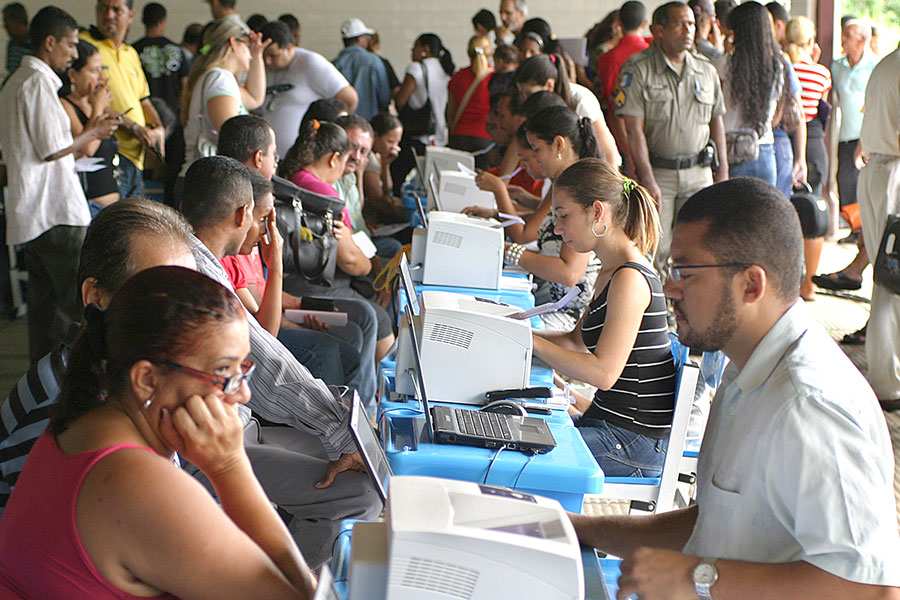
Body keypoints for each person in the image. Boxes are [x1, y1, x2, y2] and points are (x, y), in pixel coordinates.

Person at [570, 176, 900, 599]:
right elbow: (714, 524)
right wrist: (579, 529)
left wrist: (696, 577)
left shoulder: (810, 405)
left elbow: (871, 589)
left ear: (751, 284)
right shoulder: (742, 364)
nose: (669, 288)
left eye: (685, 273)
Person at [0, 265, 317, 599]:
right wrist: (229, 467)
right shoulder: (137, 482)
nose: (242, 394)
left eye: (243, 369)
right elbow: (299, 594)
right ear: (147, 380)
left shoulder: (80, 421)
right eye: (224, 372)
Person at [181, 157, 382, 565]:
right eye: (261, 217)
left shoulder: (203, 261)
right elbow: (268, 365)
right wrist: (344, 431)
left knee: (354, 464)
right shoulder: (198, 273)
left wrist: (345, 426)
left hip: (242, 427)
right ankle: (294, 584)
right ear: (242, 215)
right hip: (210, 448)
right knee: (361, 492)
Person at [217, 114, 381, 410]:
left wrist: (297, 313)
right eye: (274, 155)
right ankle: (336, 426)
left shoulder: (254, 206)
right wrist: (277, 263)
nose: (277, 163)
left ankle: (356, 415)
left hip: (276, 307)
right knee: (333, 349)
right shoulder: (235, 233)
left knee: (357, 326)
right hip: (263, 331)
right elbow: (264, 327)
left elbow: (263, 293)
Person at [531, 158, 675, 475]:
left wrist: (533, 344)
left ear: (597, 212)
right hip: (608, 424)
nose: (557, 228)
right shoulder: (610, 271)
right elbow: (575, 341)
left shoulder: (630, 278)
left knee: (519, 455)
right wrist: (513, 337)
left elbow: (604, 373)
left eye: (563, 215)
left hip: (632, 441)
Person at [0, 7, 120, 364]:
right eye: (69, 45)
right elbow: (52, 149)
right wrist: (95, 130)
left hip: (33, 211)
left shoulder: (16, 81)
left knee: (45, 313)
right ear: (49, 43)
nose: (72, 53)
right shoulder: (37, 83)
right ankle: (74, 388)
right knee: (75, 308)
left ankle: (42, 386)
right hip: (55, 211)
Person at [613, 1, 727, 274]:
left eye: (691, 24)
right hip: (659, 172)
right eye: (679, 24)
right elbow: (633, 129)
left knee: (699, 246)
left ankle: (690, 312)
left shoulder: (706, 69)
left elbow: (717, 121)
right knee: (655, 249)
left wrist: (723, 170)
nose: (688, 30)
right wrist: (647, 177)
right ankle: (658, 313)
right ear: (658, 30)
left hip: (699, 172)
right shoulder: (639, 68)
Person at [466, 106, 601, 331]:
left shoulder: (579, 188)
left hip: (570, 314)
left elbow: (569, 273)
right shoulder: (565, 181)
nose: (535, 158)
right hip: (553, 301)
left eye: (536, 150)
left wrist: (510, 251)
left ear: (559, 145)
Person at [279, 121, 397, 363]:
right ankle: (380, 394)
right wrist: (367, 265)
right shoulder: (324, 194)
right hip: (309, 283)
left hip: (295, 278)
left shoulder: (295, 178)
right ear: (334, 159)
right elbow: (352, 261)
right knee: (378, 316)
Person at [813, 20, 877, 298]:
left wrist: (867, 140)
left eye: (849, 36)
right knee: (846, 183)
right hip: (845, 135)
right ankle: (855, 234)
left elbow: (874, 105)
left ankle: (857, 254)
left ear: (862, 39)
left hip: (870, 140)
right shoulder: (837, 67)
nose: (844, 40)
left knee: (867, 192)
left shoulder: (876, 66)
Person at [81, 0, 166, 199]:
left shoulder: (131, 53)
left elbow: (144, 101)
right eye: (103, 8)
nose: (108, 14)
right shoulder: (87, 46)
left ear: (131, 16)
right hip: (107, 152)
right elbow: (88, 98)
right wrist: (132, 127)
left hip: (136, 158)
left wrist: (157, 128)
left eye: (116, 9)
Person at [856, 46, 900, 412]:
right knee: (893, 282)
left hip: (877, 172)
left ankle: (887, 378)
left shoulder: (885, 65)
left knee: (887, 280)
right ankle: (889, 380)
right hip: (893, 175)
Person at [178, 18, 266, 179]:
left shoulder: (221, 78)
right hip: (207, 179)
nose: (250, 54)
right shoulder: (219, 78)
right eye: (248, 45)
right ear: (233, 42)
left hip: (205, 178)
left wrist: (257, 55)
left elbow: (255, 97)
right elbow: (233, 137)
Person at [260, 20, 358, 157]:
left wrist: (332, 139)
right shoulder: (261, 67)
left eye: (273, 55)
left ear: (289, 47)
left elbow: (349, 99)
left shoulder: (311, 63)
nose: (267, 61)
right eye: (264, 56)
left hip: (303, 156)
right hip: (270, 158)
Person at [785, 15, 831, 301]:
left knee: (785, 211)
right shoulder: (821, 73)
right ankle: (809, 285)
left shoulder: (783, 67)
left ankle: (787, 281)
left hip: (785, 140)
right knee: (812, 213)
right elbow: (822, 106)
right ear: (811, 42)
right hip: (813, 142)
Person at [715, 1, 783, 186]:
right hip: (766, 150)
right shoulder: (777, 65)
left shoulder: (724, 64)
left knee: (733, 214)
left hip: (732, 151)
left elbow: (714, 111)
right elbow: (777, 116)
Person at [515, 54, 620, 167]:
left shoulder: (581, 99)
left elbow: (608, 152)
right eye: (522, 94)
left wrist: (609, 180)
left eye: (529, 93)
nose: (526, 99)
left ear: (549, 84)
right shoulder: (537, 105)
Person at [59, 40, 120, 216]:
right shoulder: (65, 105)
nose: (100, 77)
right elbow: (87, 148)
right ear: (73, 74)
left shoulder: (94, 105)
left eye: (102, 70)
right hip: (87, 206)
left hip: (111, 206)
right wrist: (98, 108)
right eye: (94, 71)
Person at [390, 33, 454, 194]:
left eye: (414, 47)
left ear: (425, 49)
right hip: (439, 136)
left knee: (400, 178)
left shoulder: (416, 68)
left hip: (417, 136)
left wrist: (396, 93)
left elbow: (400, 102)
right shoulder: (446, 69)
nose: (412, 52)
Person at [334, 114, 402, 258]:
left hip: (365, 242)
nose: (357, 156)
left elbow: (357, 211)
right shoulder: (330, 180)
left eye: (364, 151)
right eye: (353, 147)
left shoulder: (351, 176)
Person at [595, 0, 649, 169]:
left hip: (618, 140)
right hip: (652, 136)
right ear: (645, 24)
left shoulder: (607, 58)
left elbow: (613, 105)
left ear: (619, 23)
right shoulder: (652, 53)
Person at [133, 2, 191, 118]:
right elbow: (185, 84)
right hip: (173, 112)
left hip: (143, 113)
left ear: (143, 20)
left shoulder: (132, 51)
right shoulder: (177, 49)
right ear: (163, 20)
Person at [447, 35, 495, 166]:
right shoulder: (495, 79)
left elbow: (450, 112)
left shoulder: (458, 77)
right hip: (485, 139)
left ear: (469, 53)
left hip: (459, 137)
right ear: (490, 53)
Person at [332, 18, 390, 120]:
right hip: (370, 122)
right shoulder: (374, 61)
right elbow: (384, 97)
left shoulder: (335, 64)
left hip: (343, 123)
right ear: (360, 39)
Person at [363, 112, 406, 225]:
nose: (395, 147)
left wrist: (385, 164)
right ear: (375, 136)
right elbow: (377, 199)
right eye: (390, 141)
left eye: (397, 142)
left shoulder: (378, 156)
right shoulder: (369, 158)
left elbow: (387, 190)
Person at [2, 2, 27, 82]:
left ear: (17, 21)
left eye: (6, 22)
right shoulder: (11, 44)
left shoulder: (35, 43)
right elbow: (10, 70)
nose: (5, 27)